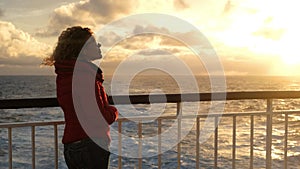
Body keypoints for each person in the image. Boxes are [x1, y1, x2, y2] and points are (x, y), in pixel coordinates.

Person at [43, 26, 118, 169]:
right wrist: (113, 111)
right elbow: (98, 118)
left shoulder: (66, 73)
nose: (99, 46)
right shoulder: (84, 75)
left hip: (74, 145)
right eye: (94, 43)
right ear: (82, 48)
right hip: (89, 146)